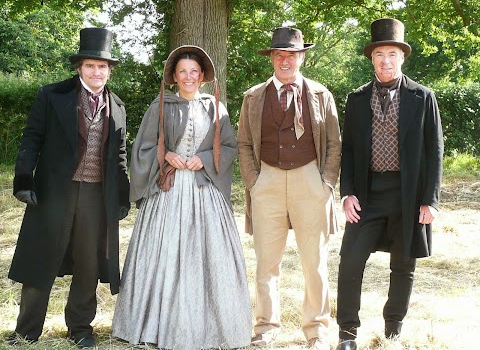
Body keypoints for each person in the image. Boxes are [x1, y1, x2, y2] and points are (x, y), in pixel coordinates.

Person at [111, 45, 251, 349]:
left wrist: (204, 157)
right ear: (174, 76)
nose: (188, 77)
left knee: (209, 257)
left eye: (194, 72)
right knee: (163, 254)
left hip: (204, 191)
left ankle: (211, 328)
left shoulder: (216, 108)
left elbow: (228, 147)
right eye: (183, 72)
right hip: (168, 193)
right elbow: (144, 148)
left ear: (202, 76)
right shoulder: (159, 106)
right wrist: (167, 154)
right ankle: (153, 326)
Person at [6, 28, 130, 349]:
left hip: (95, 196)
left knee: (89, 265)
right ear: (79, 68)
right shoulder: (52, 95)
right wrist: (23, 180)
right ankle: (26, 332)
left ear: (109, 70)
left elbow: (119, 155)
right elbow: (32, 138)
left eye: (102, 66)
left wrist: (122, 195)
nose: (97, 71)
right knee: (41, 260)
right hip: (54, 192)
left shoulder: (116, 106)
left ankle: (80, 329)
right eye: (90, 65)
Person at [335, 18, 444, 350]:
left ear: (402, 57)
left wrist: (430, 200)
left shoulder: (423, 98)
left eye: (392, 54)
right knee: (350, 261)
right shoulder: (357, 99)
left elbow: (434, 149)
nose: (385, 60)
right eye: (380, 53)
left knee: (403, 264)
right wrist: (348, 192)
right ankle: (347, 334)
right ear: (372, 58)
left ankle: (393, 329)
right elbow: (350, 150)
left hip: (409, 195)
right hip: (368, 195)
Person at [237, 27, 341, 349]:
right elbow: (242, 143)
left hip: (310, 180)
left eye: (291, 55)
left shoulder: (322, 95)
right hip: (266, 180)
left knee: (315, 261)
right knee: (266, 263)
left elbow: (335, 143)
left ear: (301, 57)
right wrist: (254, 182)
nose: (285, 61)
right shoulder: (253, 97)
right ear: (272, 58)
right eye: (279, 55)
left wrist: (325, 182)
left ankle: (317, 330)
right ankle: (266, 328)